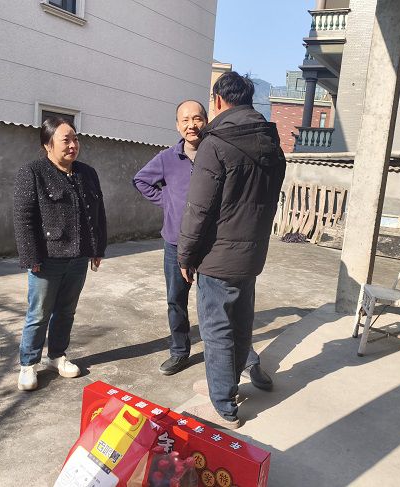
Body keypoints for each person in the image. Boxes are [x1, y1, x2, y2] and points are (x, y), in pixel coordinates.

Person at [133, 100, 273, 390]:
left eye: (197, 118)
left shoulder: (221, 149)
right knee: (176, 300)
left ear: (207, 121)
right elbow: (141, 180)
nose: (191, 125)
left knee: (230, 307)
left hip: (215, 246)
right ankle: (179, 351)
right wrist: (170, 203)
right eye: (185, 120)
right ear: (177, 125)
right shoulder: (167, 158)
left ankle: (247, 360)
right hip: (176, 243)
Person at [177, 73, 286, 429]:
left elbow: (198, 208)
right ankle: (224, 384)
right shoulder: (271, 144)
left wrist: (185, 254)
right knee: (240, 324)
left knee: (217, 330)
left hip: (218, 256)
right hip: (251, 255)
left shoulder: (216, 143)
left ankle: (223, 406)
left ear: (218, 101)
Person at [13, 117, 107, 391]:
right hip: (47, 259)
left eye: (75, 139)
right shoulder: (33, 172)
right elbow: (23, 218)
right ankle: (28, 364)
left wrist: (97, 248)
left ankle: (56, 356)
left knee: (66, 310)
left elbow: (98, 213)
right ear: (48, 144)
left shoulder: (87, 173)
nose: (73, 145)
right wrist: (31, 256)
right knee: (38, 313)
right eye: (66, 140)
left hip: (78, 258)